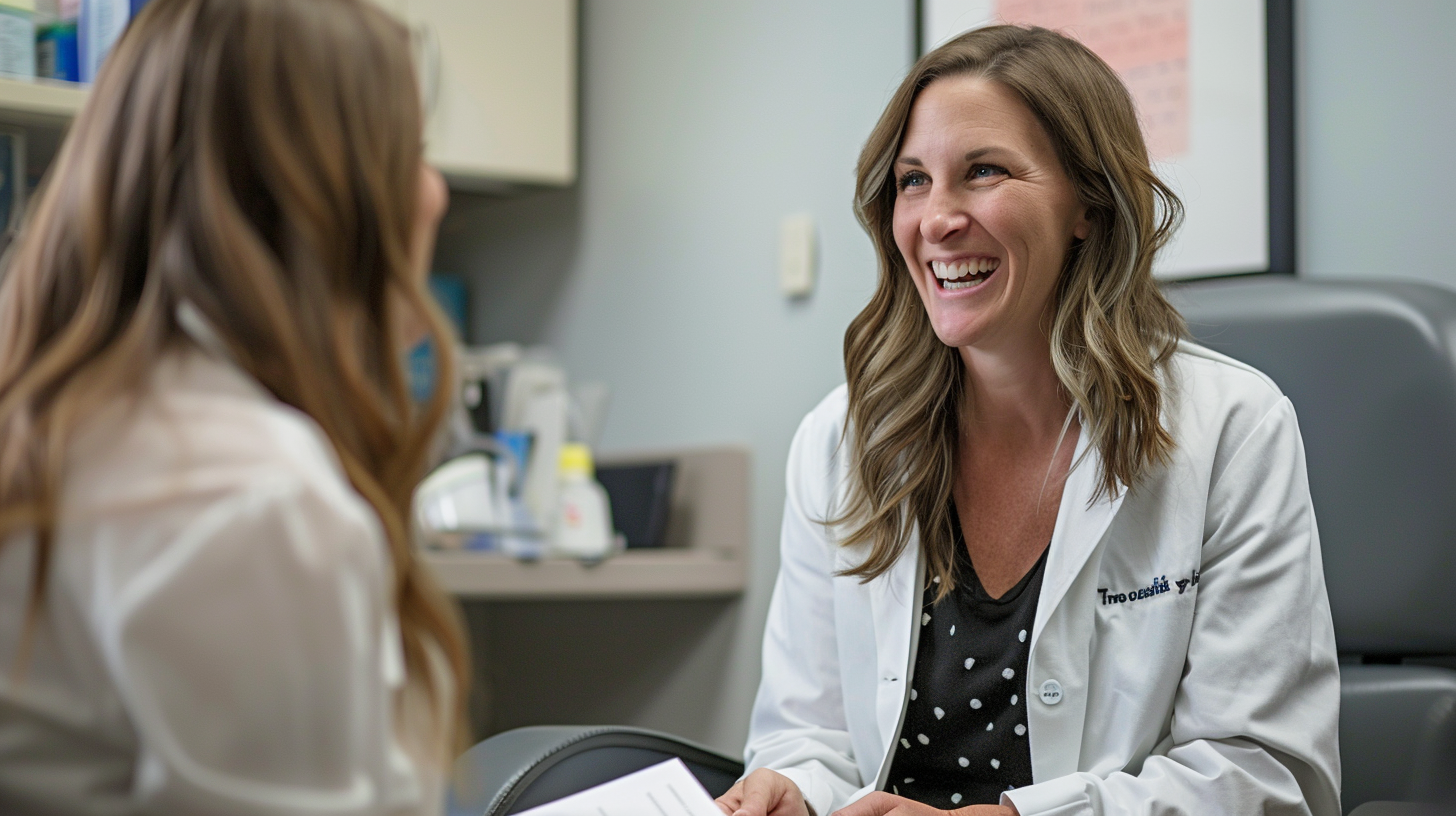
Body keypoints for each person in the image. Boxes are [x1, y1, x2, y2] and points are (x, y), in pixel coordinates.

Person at [716, 25, 1340, 816]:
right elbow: (810, 734)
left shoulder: (1233, 431)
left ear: (1087, 202)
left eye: (982, 172)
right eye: (913, 180)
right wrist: (793, 788)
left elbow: (1269, 777)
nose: (936, 219)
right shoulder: (840, 444)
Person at [0, 0, 468, 813]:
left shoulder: (69, 424)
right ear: (318, 197)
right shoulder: (249, 495)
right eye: (413, 152)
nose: (436, 194)